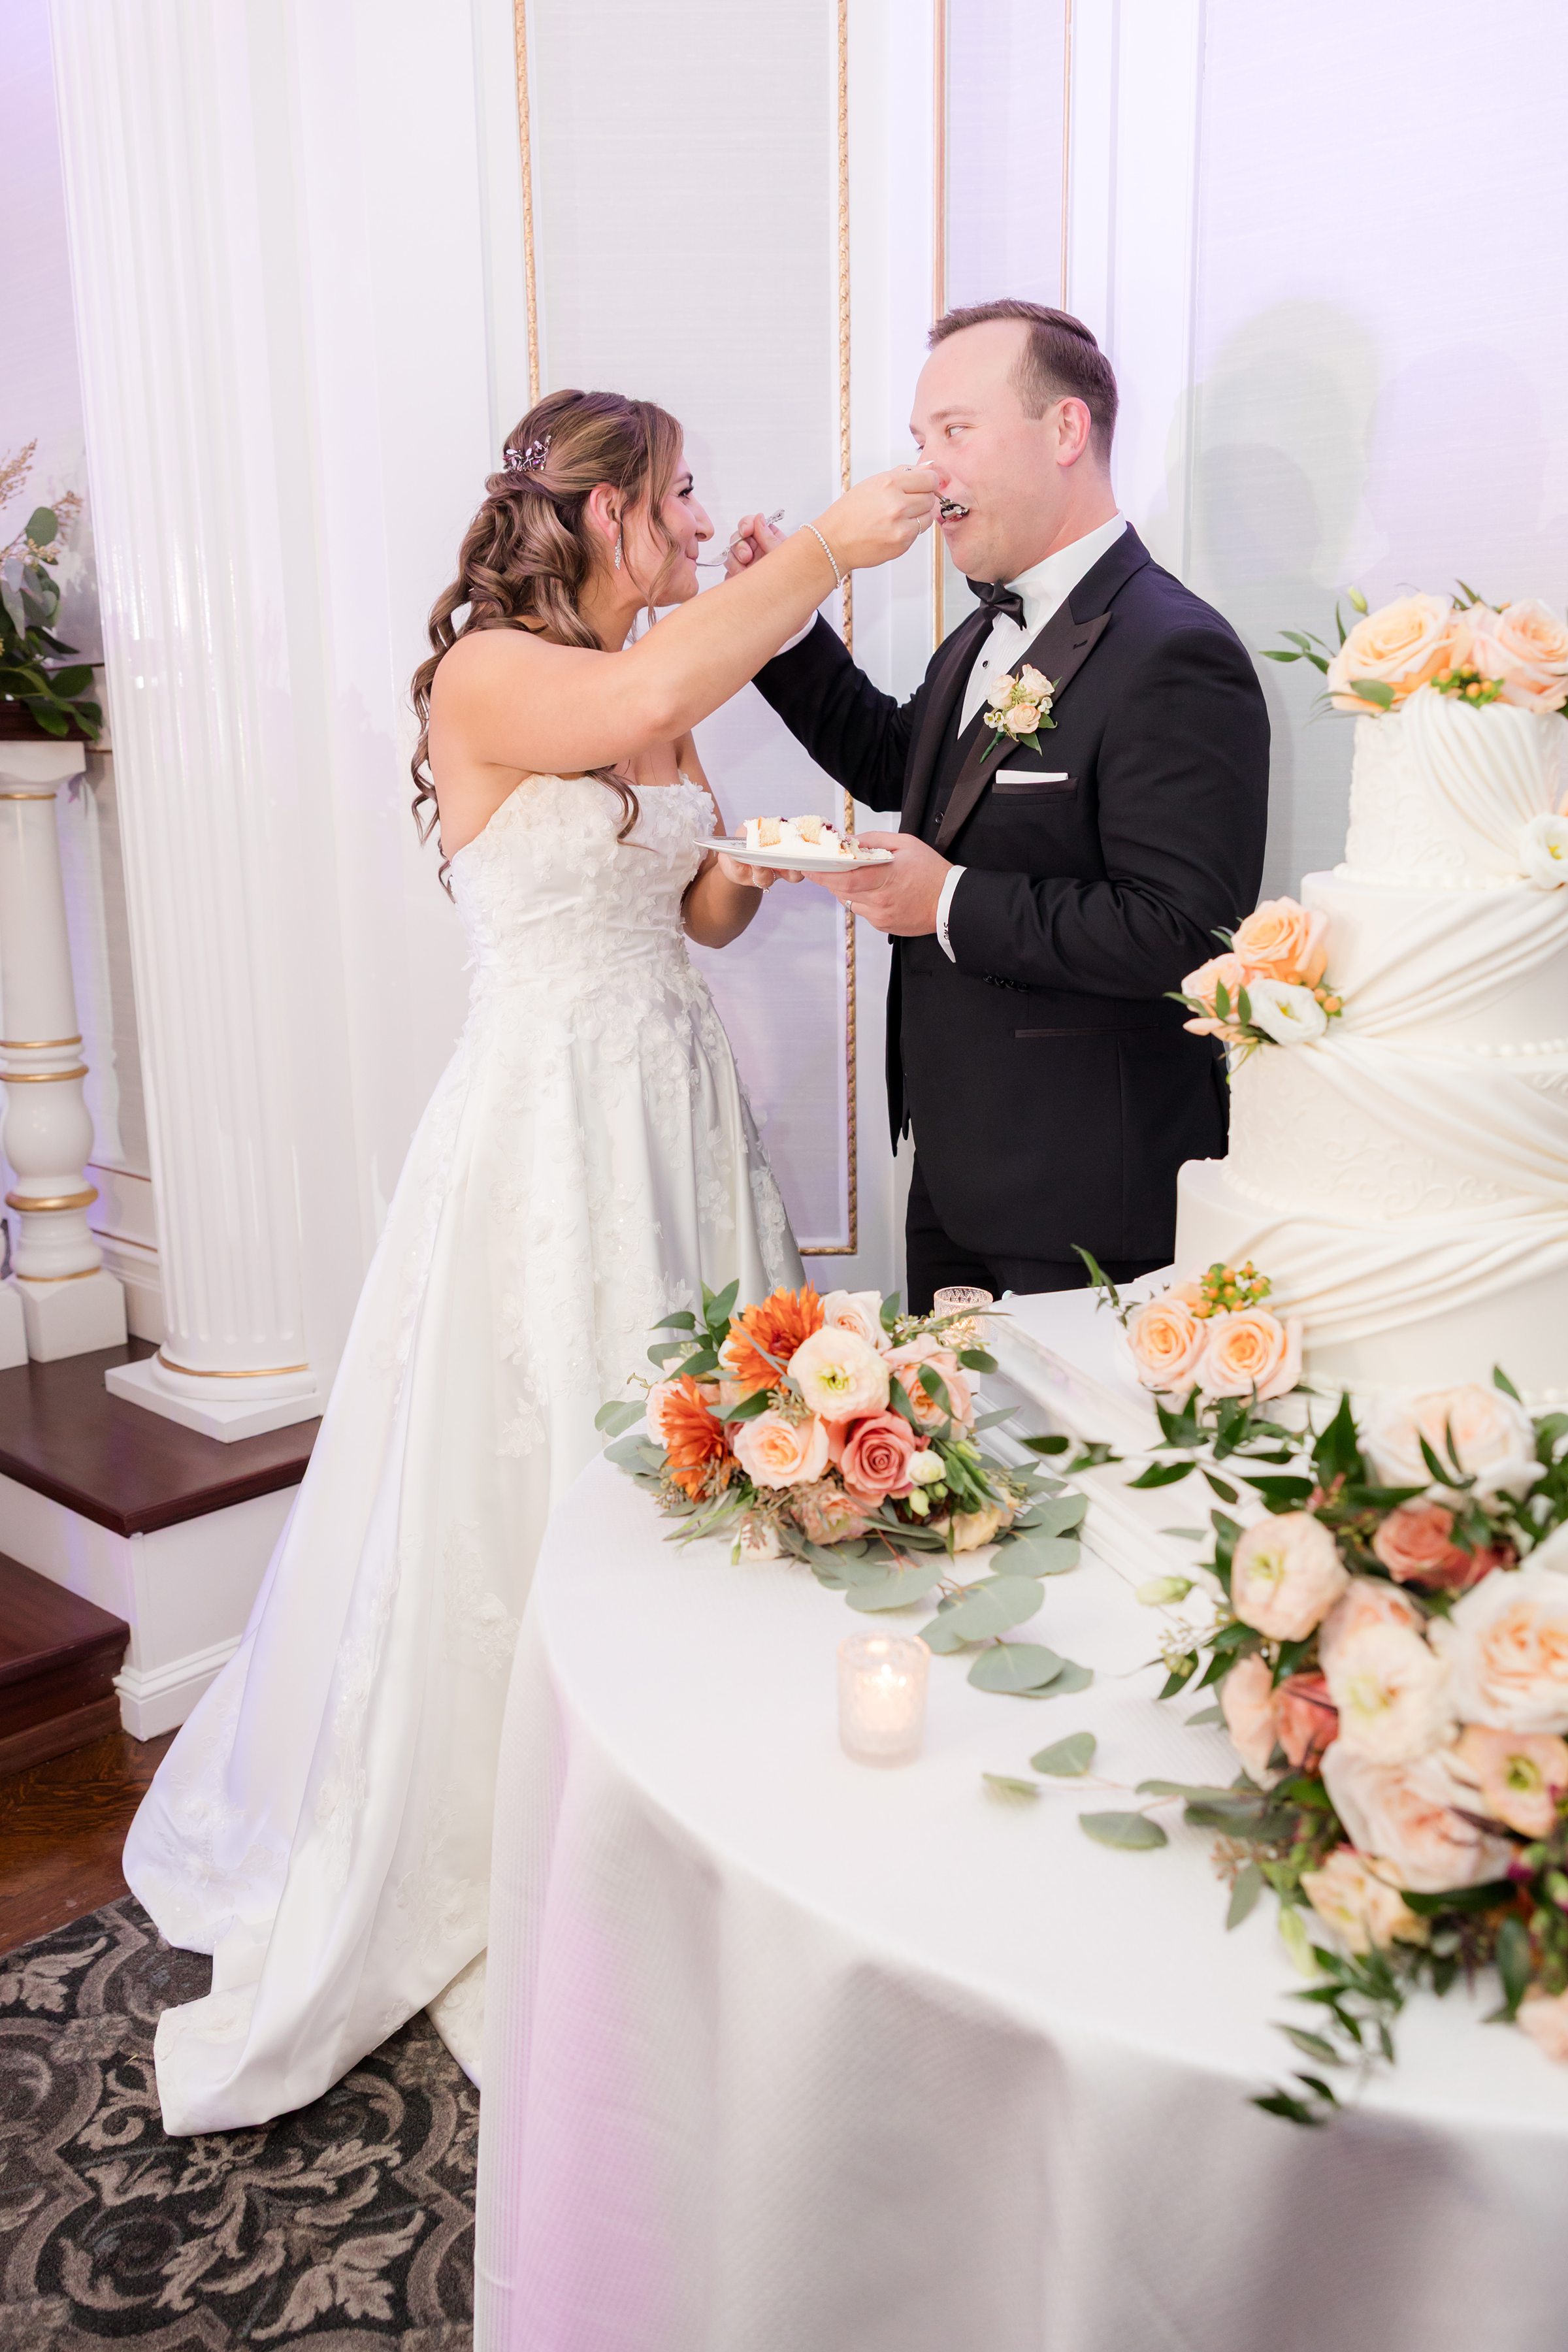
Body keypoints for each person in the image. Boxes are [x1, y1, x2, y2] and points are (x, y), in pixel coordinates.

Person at [123, 387, 939, 2134]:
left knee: (697, 1446)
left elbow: (693, 899)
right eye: (672, 498)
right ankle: (521, 1819)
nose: (688, 521)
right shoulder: (497, 670)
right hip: (546, 1118)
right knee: (542, 1457)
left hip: (672, 1101)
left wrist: (767, 874)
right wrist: (813, 557)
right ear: (593, 512)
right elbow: (638, 703)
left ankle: (679, 1781)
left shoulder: (649, 681)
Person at [732, 300, 1270, 1311]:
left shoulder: (1176, 652)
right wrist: (783, 622)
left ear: (1066, 431)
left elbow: (1181, 933)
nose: (929, 471)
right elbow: (898, 763)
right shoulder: (987, 631)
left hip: (1089, 1195)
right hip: (958, 1166)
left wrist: (947, 900)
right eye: (921, 440)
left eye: (956, 432)